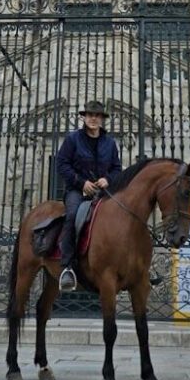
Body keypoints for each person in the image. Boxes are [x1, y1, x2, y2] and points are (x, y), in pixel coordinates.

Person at [55, 101, 121, 292]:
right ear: (84, 117)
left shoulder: (110, 143)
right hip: (77, 190)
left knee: (124, 216)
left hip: (103, 192)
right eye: (90, 115)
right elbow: (62, 164)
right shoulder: (73, 139)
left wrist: (108, 179)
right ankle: (67, 267)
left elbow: (116, 168)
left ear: (102, 119)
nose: (93, 118)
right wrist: (81, 182)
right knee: (72, 216)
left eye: (97, 115)